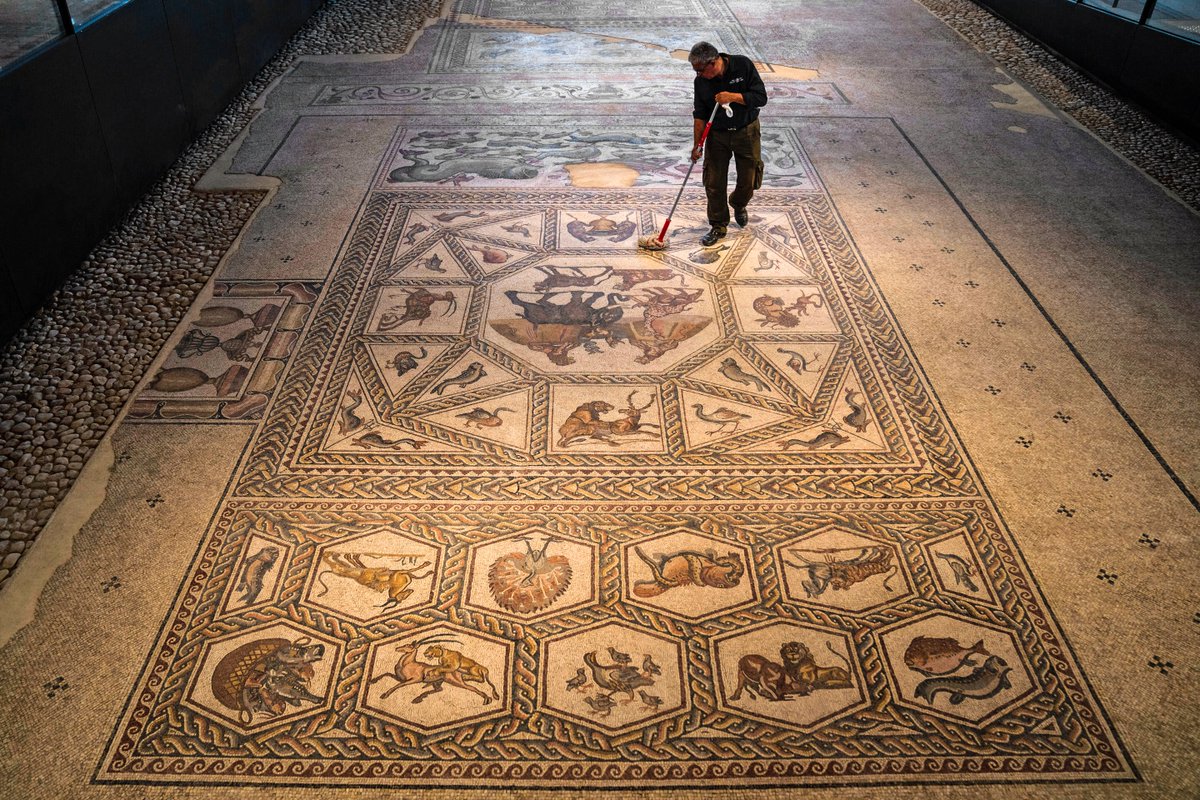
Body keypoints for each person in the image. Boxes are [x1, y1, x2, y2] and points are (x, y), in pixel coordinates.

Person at [688, 41, 767, 247]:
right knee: (714, 183)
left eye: (700, 70)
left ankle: (738, 203)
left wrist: (732, 97)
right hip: (718, 135)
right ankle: (718, 225)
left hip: (746, 130)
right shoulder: (701, 82)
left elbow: (761, 97)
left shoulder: (743, 65)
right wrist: (698, 145)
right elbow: (700, 114)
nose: (698, 75)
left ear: (713, 63)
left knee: (749, 179)